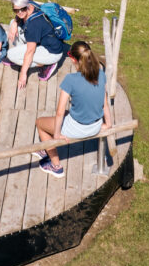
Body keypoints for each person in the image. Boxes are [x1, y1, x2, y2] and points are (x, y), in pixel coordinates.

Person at [33, 41, 113, 178]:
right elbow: (104, 103)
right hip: (96, 126)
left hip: (77, 129)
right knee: (65, 114)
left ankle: (56, 166)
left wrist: (57, 135)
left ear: (73, 59)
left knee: (40, 123)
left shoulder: (70, 79)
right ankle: (48, 148)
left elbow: (59, 111)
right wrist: (108, 124)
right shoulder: (101, 74)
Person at [6, 0, 66, 89]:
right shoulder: (32, 4)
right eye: (15, 10)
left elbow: (30, 51)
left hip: (51, 52)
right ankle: (23, 54)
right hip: (47, 41)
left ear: (26, 4)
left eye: (22, 9)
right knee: (12, 21)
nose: (19, 12)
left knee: (11, 55)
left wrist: (23, 74)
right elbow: (19, 17)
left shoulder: (33, 25)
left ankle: (47, 65)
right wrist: (15, 23)